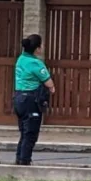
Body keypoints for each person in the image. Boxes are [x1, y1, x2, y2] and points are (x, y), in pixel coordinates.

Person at [13, 34, 55, 166]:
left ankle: (19, 158)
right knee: (30, 133)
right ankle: (25, 161)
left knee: (24, 132)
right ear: (37, 49)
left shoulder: (21, 59)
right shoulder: (35, 63)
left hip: (19, 98)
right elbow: (50, 84)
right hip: (31, 100)